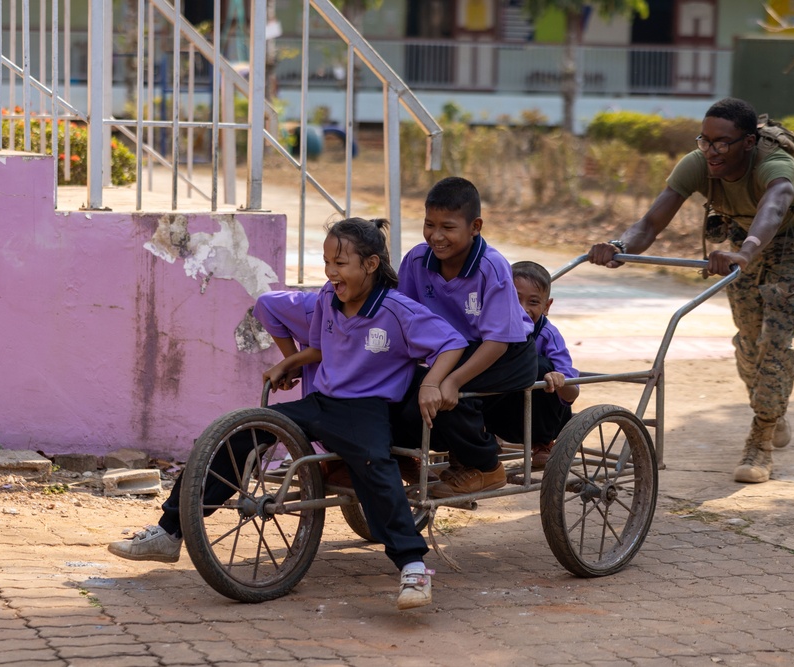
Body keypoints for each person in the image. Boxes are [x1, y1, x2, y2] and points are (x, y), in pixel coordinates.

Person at [109, 217, 468, 611]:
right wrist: (291, 362)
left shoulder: (398, 310)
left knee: (375, 466)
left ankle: (412, 565)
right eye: (328, 262)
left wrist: (433, 384)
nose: (331, 272)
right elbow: (321, 348)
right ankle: (169, 532)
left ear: (369, 264)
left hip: (365, 409)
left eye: (340, 263)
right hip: (321, 402)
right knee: (240, 434)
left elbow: (452, 342)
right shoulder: (329, 300)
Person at [588, 97, 794, 484]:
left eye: (722, 143)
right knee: (749, 343)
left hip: (792, 243)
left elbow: (774, 208)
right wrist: (619, 246)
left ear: (748, 142)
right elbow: (651, 222)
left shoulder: (777, 166)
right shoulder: (698, 164)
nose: (711, 151)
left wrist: (744, 252)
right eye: (705, 140)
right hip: (742, 244)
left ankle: (761, 438)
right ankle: (773, 407)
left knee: (776, 339)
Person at [395, 176, 538, 497]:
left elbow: (498, 341)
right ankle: (414, 457)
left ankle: (487, 467)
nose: (436, 235)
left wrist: (453, 381)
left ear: (475, 226)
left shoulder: (492, 266)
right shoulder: (417, 260)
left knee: (450, 398)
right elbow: (403, 317)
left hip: (506, 352)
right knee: (403, 391)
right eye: (429, 224)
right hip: (452, 350)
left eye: (448, 227)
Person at [485, 260, 580, 469]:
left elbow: (572, 393)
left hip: (541, 417)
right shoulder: (490, 328)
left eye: (533, 302)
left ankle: (543, 443)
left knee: (538, 366)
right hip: (506, 413)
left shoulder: (548, 334)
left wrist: (558, 379)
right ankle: (484, 437)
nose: (523, 309)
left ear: (547, 307)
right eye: (515, 300)